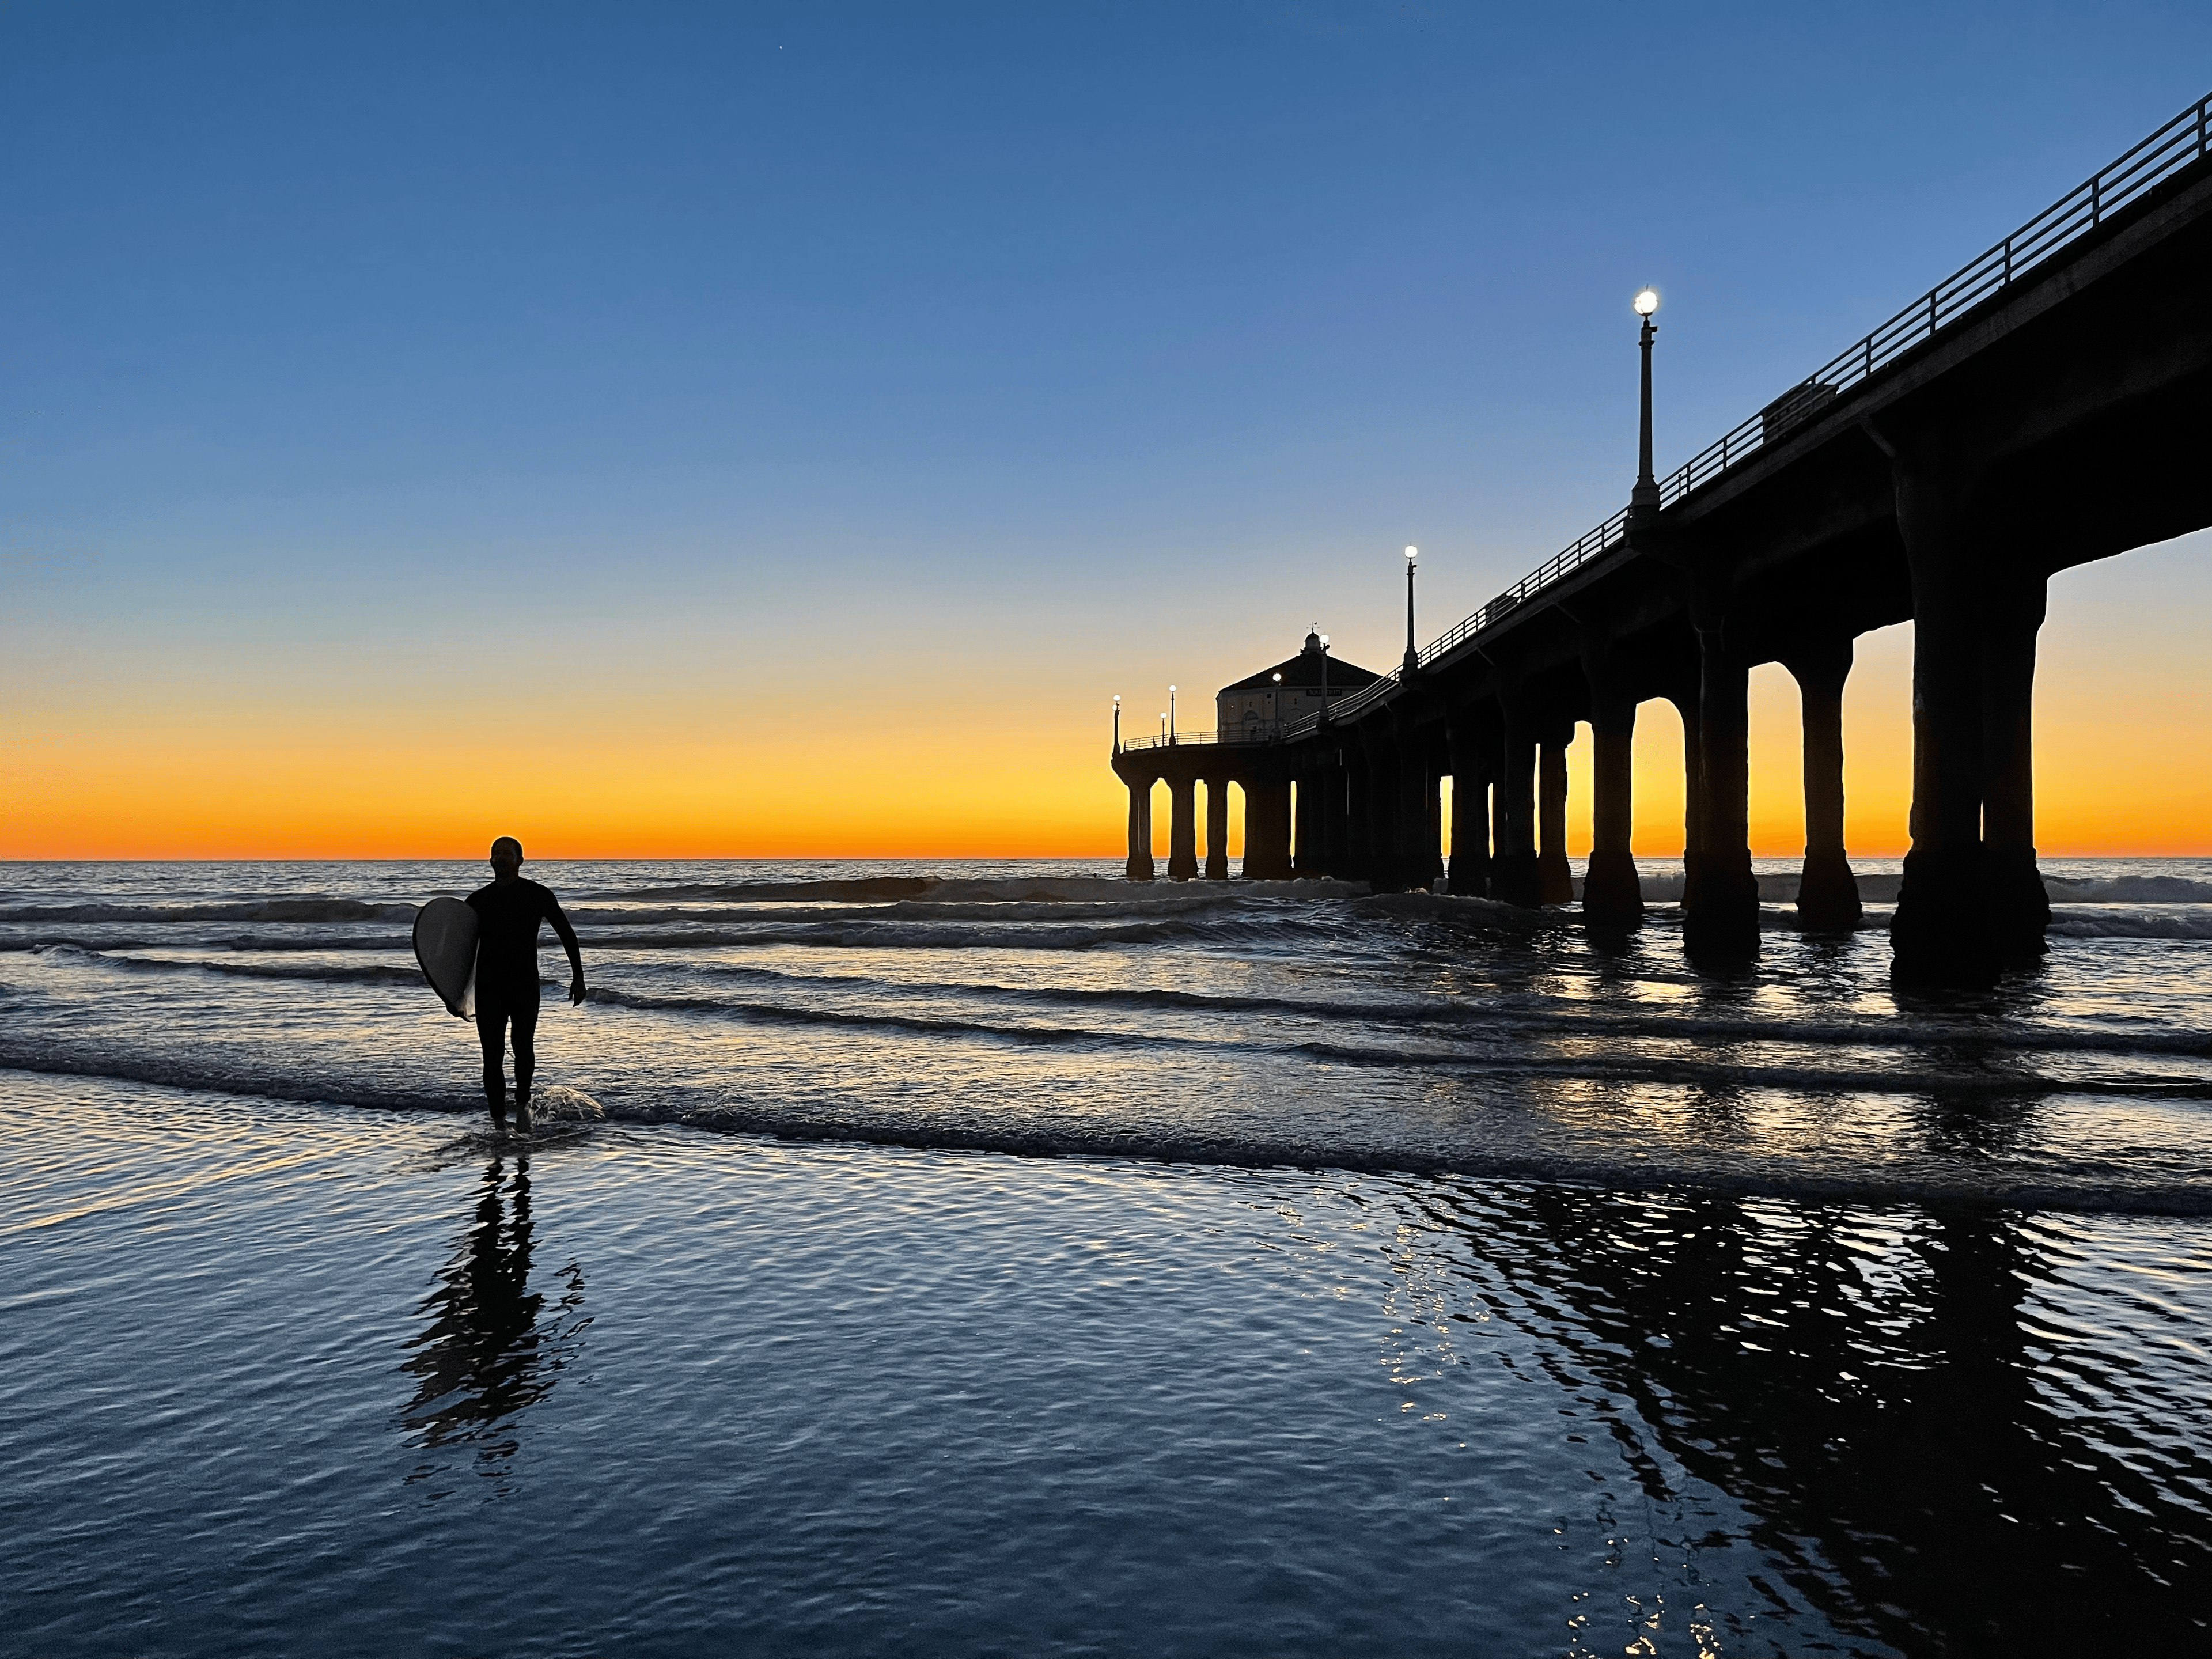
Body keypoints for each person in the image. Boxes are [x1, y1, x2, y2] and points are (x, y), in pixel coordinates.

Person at [465, 836, 585, 1135]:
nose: (501, 857)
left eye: (507, 853)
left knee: (523, 1048)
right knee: (491, 1056)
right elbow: (459, 952)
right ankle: (497, 1122)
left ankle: (521, 1106)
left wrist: (579, 976)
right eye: (496, 853)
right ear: (490, 861)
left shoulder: (537, 895)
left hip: (524, 986)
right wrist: (454, 995)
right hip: (488, 988)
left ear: (521, 859)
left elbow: (567, 935)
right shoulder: (477, 902)